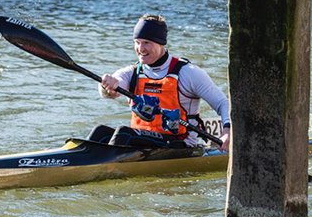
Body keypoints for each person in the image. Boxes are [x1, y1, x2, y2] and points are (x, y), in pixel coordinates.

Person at [97, 14, 231, 150]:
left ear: (161, 43)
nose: (140, 49)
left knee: (123, 133)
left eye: (146, 43)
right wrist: (107, 85)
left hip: (181, 143)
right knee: (100, 132)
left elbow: (223, 103)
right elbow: (111, 91)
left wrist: (227, 132)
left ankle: (104, 169)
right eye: (137, 42)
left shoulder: (188, 73)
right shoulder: (132, 73)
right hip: (142, 141)